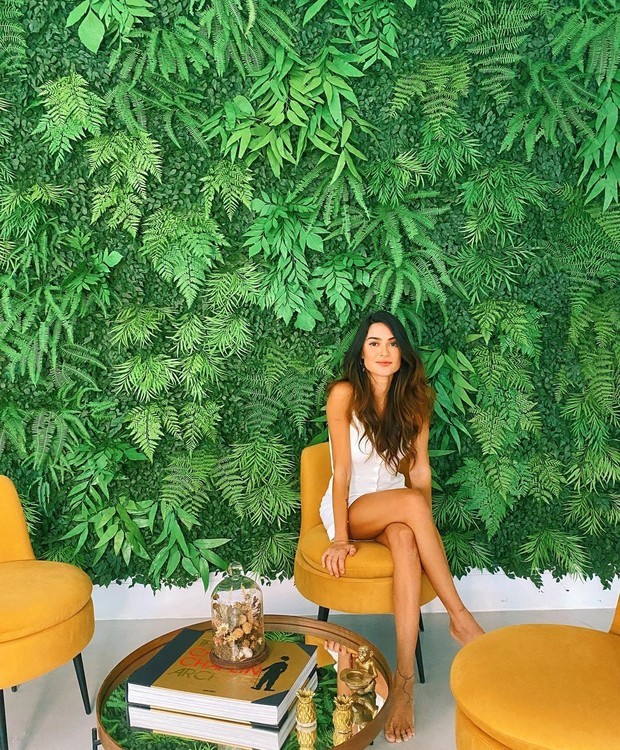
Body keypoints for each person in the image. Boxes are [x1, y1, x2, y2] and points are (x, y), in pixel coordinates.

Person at [319, 311, 484, 743]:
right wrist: (340, 538)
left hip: (395, 506)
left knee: (409, 536)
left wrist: (423, 526)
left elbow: (421, 470)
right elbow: (340, 472)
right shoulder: (343, 394)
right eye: (374, 343)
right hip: (353, 507)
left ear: (402, 352)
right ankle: (459, 617)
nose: (384, 352)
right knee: (411, 503)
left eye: (392, 343)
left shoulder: (416, 399)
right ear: (361, 353)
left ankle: (404, 684)